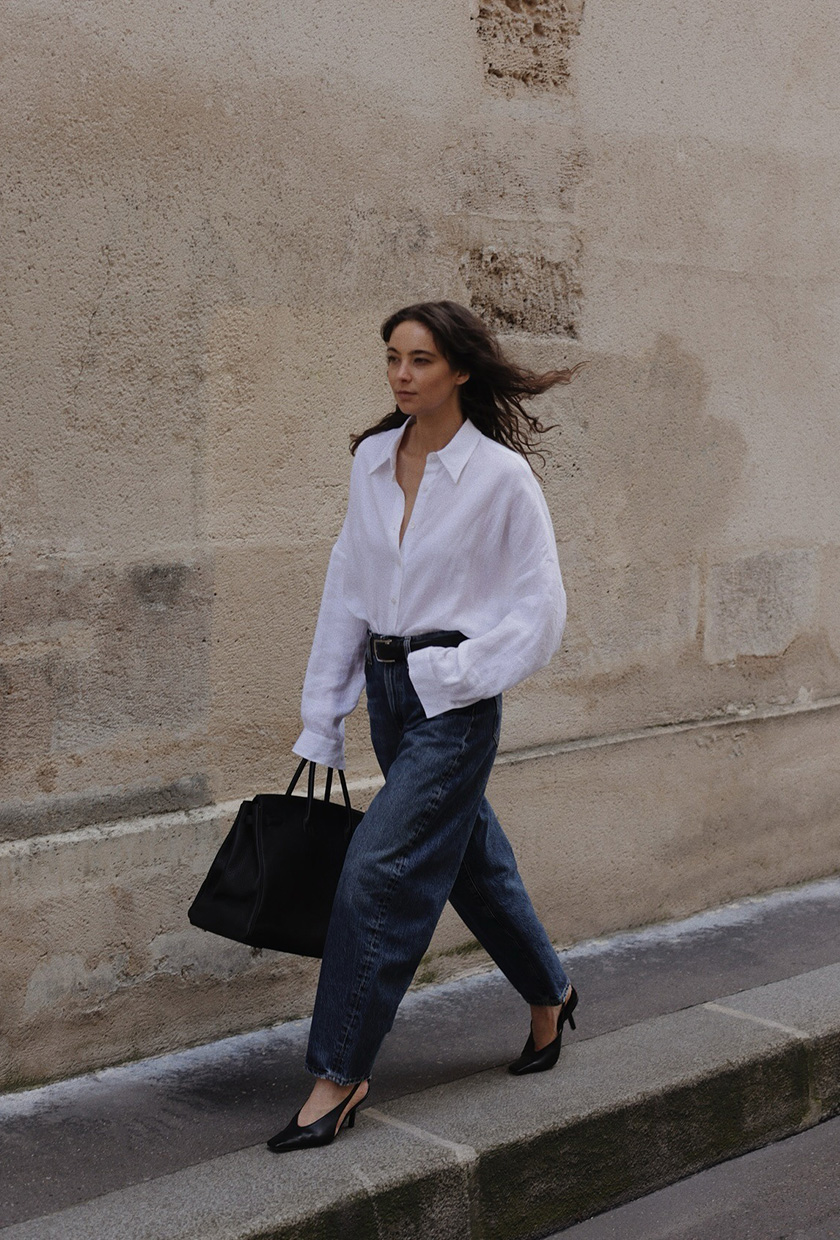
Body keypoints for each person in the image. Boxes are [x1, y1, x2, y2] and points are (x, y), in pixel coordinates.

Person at [267, 300, 579, 1153]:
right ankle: (550, 993)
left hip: (454, 698)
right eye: (394, 359)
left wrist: (457, 675)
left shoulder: (499, 477)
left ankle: (339, 1073)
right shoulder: (372, 459)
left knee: (379, 869)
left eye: (423, 360)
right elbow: (348, 588)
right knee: (472, 864)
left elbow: (540, 610)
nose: (403, 375)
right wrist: (320, 716)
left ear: (462, 371)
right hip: (386, 690)